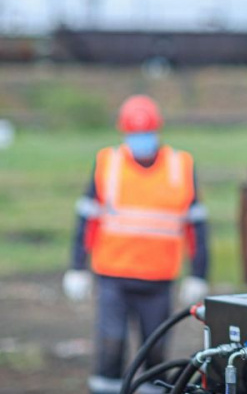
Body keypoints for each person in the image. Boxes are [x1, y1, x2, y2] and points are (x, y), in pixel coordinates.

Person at [62, 95, 210, 394]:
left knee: (155, 350)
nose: (140, 139)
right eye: (134, 132)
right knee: (111, 344)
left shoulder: (180, 166)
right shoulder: (108, 162)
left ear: (157, 130)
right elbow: (88, 217)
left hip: (158, 277)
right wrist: (77, 266)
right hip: (113, 275)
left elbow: (196, 224)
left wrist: (199, 272)